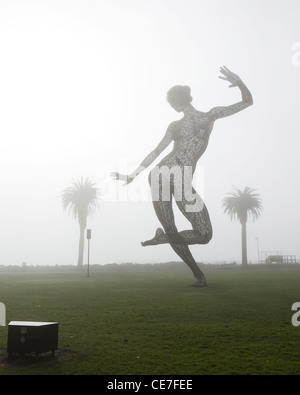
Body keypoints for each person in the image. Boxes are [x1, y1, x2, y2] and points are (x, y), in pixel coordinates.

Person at [111, 66, 253, 287]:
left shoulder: (210, 115)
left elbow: (246, 103)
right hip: (161, 175)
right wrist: (134, 175)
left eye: (172, 104)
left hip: (180, 180)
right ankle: (199, 276)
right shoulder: (180, 124)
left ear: (178, 102)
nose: (173, 108)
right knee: (172, 226)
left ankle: (163, 239)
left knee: (204, 234)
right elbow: (157, 151)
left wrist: (239, 81)